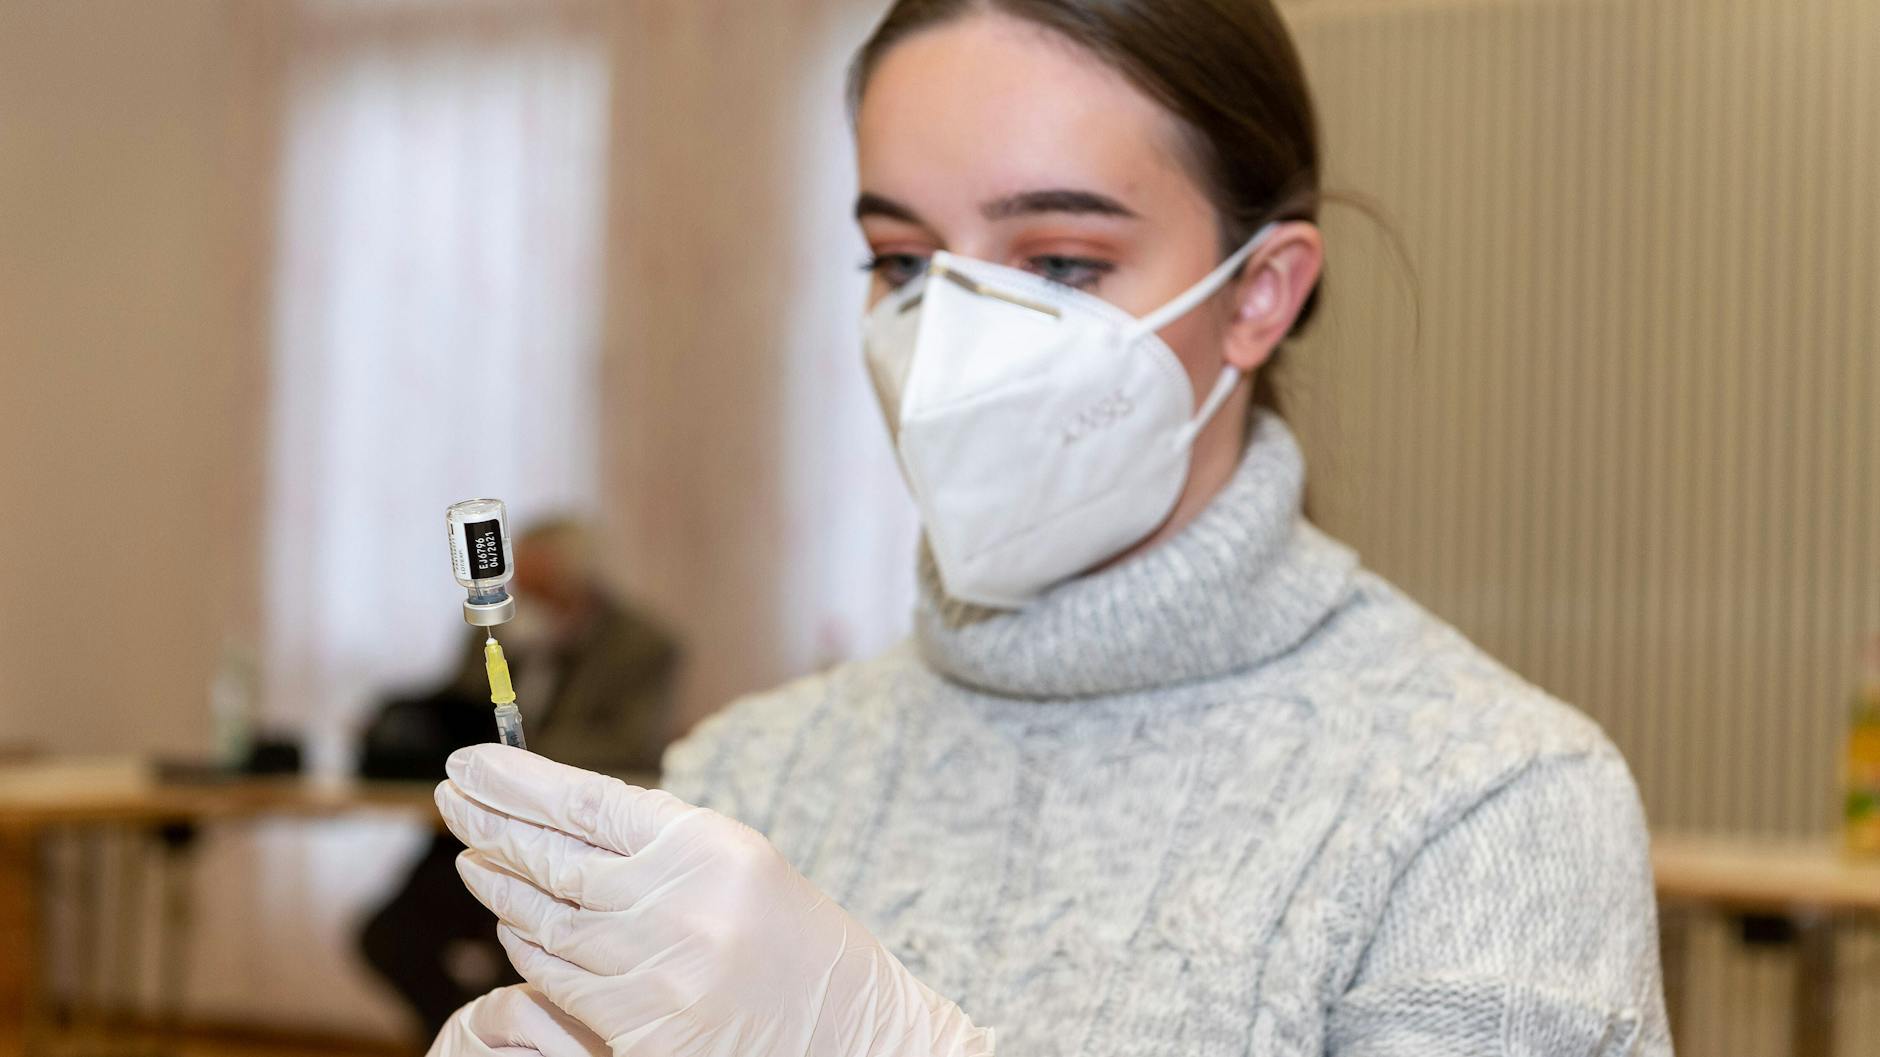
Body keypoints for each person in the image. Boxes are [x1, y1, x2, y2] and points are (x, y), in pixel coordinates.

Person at [427, 2, 1672, 1055]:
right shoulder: (749, 780)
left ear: (1259, 294)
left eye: (1062, 262)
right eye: (904, 263)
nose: (954, 345)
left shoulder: (1491, 806)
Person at [357, 518, 679, 1041]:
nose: (527, 600)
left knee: (528, 959)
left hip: (573, 845)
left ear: (581, 583)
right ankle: (470, 1040)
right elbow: (457, 716)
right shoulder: (496, 629)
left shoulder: (642, 646)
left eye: (543, 589)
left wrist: (520, 751)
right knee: (389, 938)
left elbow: (630, 744)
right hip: (484, 834)